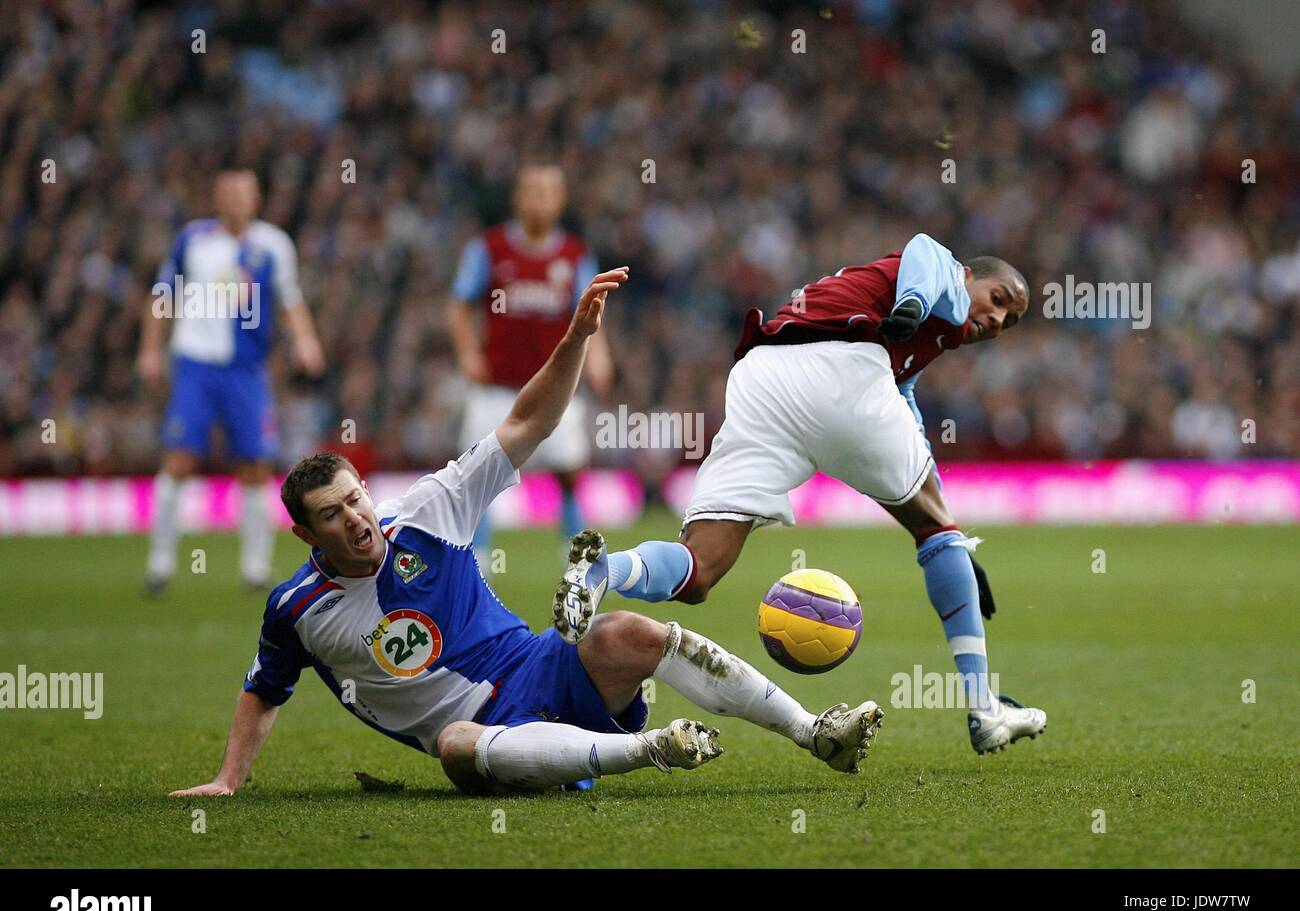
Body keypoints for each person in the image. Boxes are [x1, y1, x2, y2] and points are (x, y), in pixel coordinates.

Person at [169, 268, 884, 799]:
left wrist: (573, 340)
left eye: (355, 498)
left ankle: (816, 731)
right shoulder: (297, 609)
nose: (356, 519)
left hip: (541, 665)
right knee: (453, 743)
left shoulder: (427, 511)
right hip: (481, 735)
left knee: (626, 632)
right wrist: (228, 780)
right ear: (305, 533)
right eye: (333, 514)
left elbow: (526, 424)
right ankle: (649, 748)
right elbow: (265, 688)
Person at [552, 234, 1046, 755]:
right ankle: (983, 707)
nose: (995, 322)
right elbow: (926, 251)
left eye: (1008, 324)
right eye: (998, 301)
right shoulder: (939, 274)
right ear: (970, 275)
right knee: (935, 534)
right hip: (841, 370)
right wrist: (914, 304)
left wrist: (950, 538)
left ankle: (606, 569)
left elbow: (906, 405)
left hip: (764, 379)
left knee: (700, 570)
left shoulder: (921, 343)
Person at [138, 168, 325, 593]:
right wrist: (150, 349)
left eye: (245, 193)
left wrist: (306, 340)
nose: (238, 200)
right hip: (196, 365)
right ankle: (160, 564)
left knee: (255, 466)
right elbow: (162, 294)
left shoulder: (274, 244)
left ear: (257, 198)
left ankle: (255, 570)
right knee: (179, 460)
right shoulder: (193, 239)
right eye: (230, 192)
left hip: (247, 371)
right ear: (216, 197)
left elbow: (289, 298)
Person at [448, 161, 613, 565]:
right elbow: (458, 305)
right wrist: (467, 351)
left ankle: (576, 553)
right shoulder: (489, 249)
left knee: (569, 470)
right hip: (497, 384)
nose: (538, 200)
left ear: (560, 200)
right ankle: (475, 553)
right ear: (517, 199)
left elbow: (592, 310)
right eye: (531, 191)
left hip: (556, 385)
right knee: (480, 470)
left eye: (547, 192)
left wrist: (600, 357)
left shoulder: (575, 254)